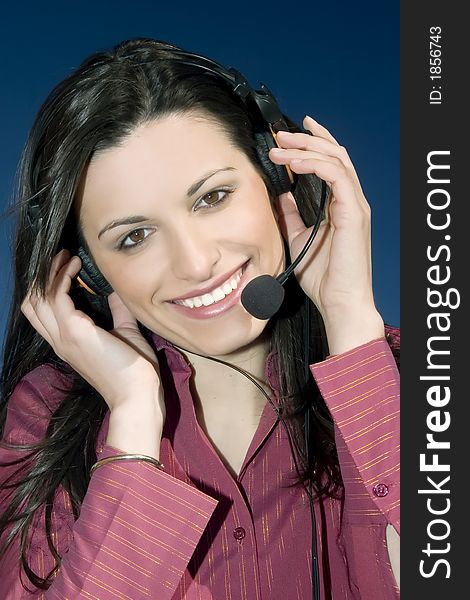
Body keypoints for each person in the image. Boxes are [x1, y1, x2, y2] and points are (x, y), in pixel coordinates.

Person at [0, 37, 400, 599]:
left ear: (276, 180)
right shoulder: (47, 418)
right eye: (135, 237)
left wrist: (353, 324)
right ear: (89, 271)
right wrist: (134, 427)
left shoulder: (405, 382)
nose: (195, 262)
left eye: (212, 198)